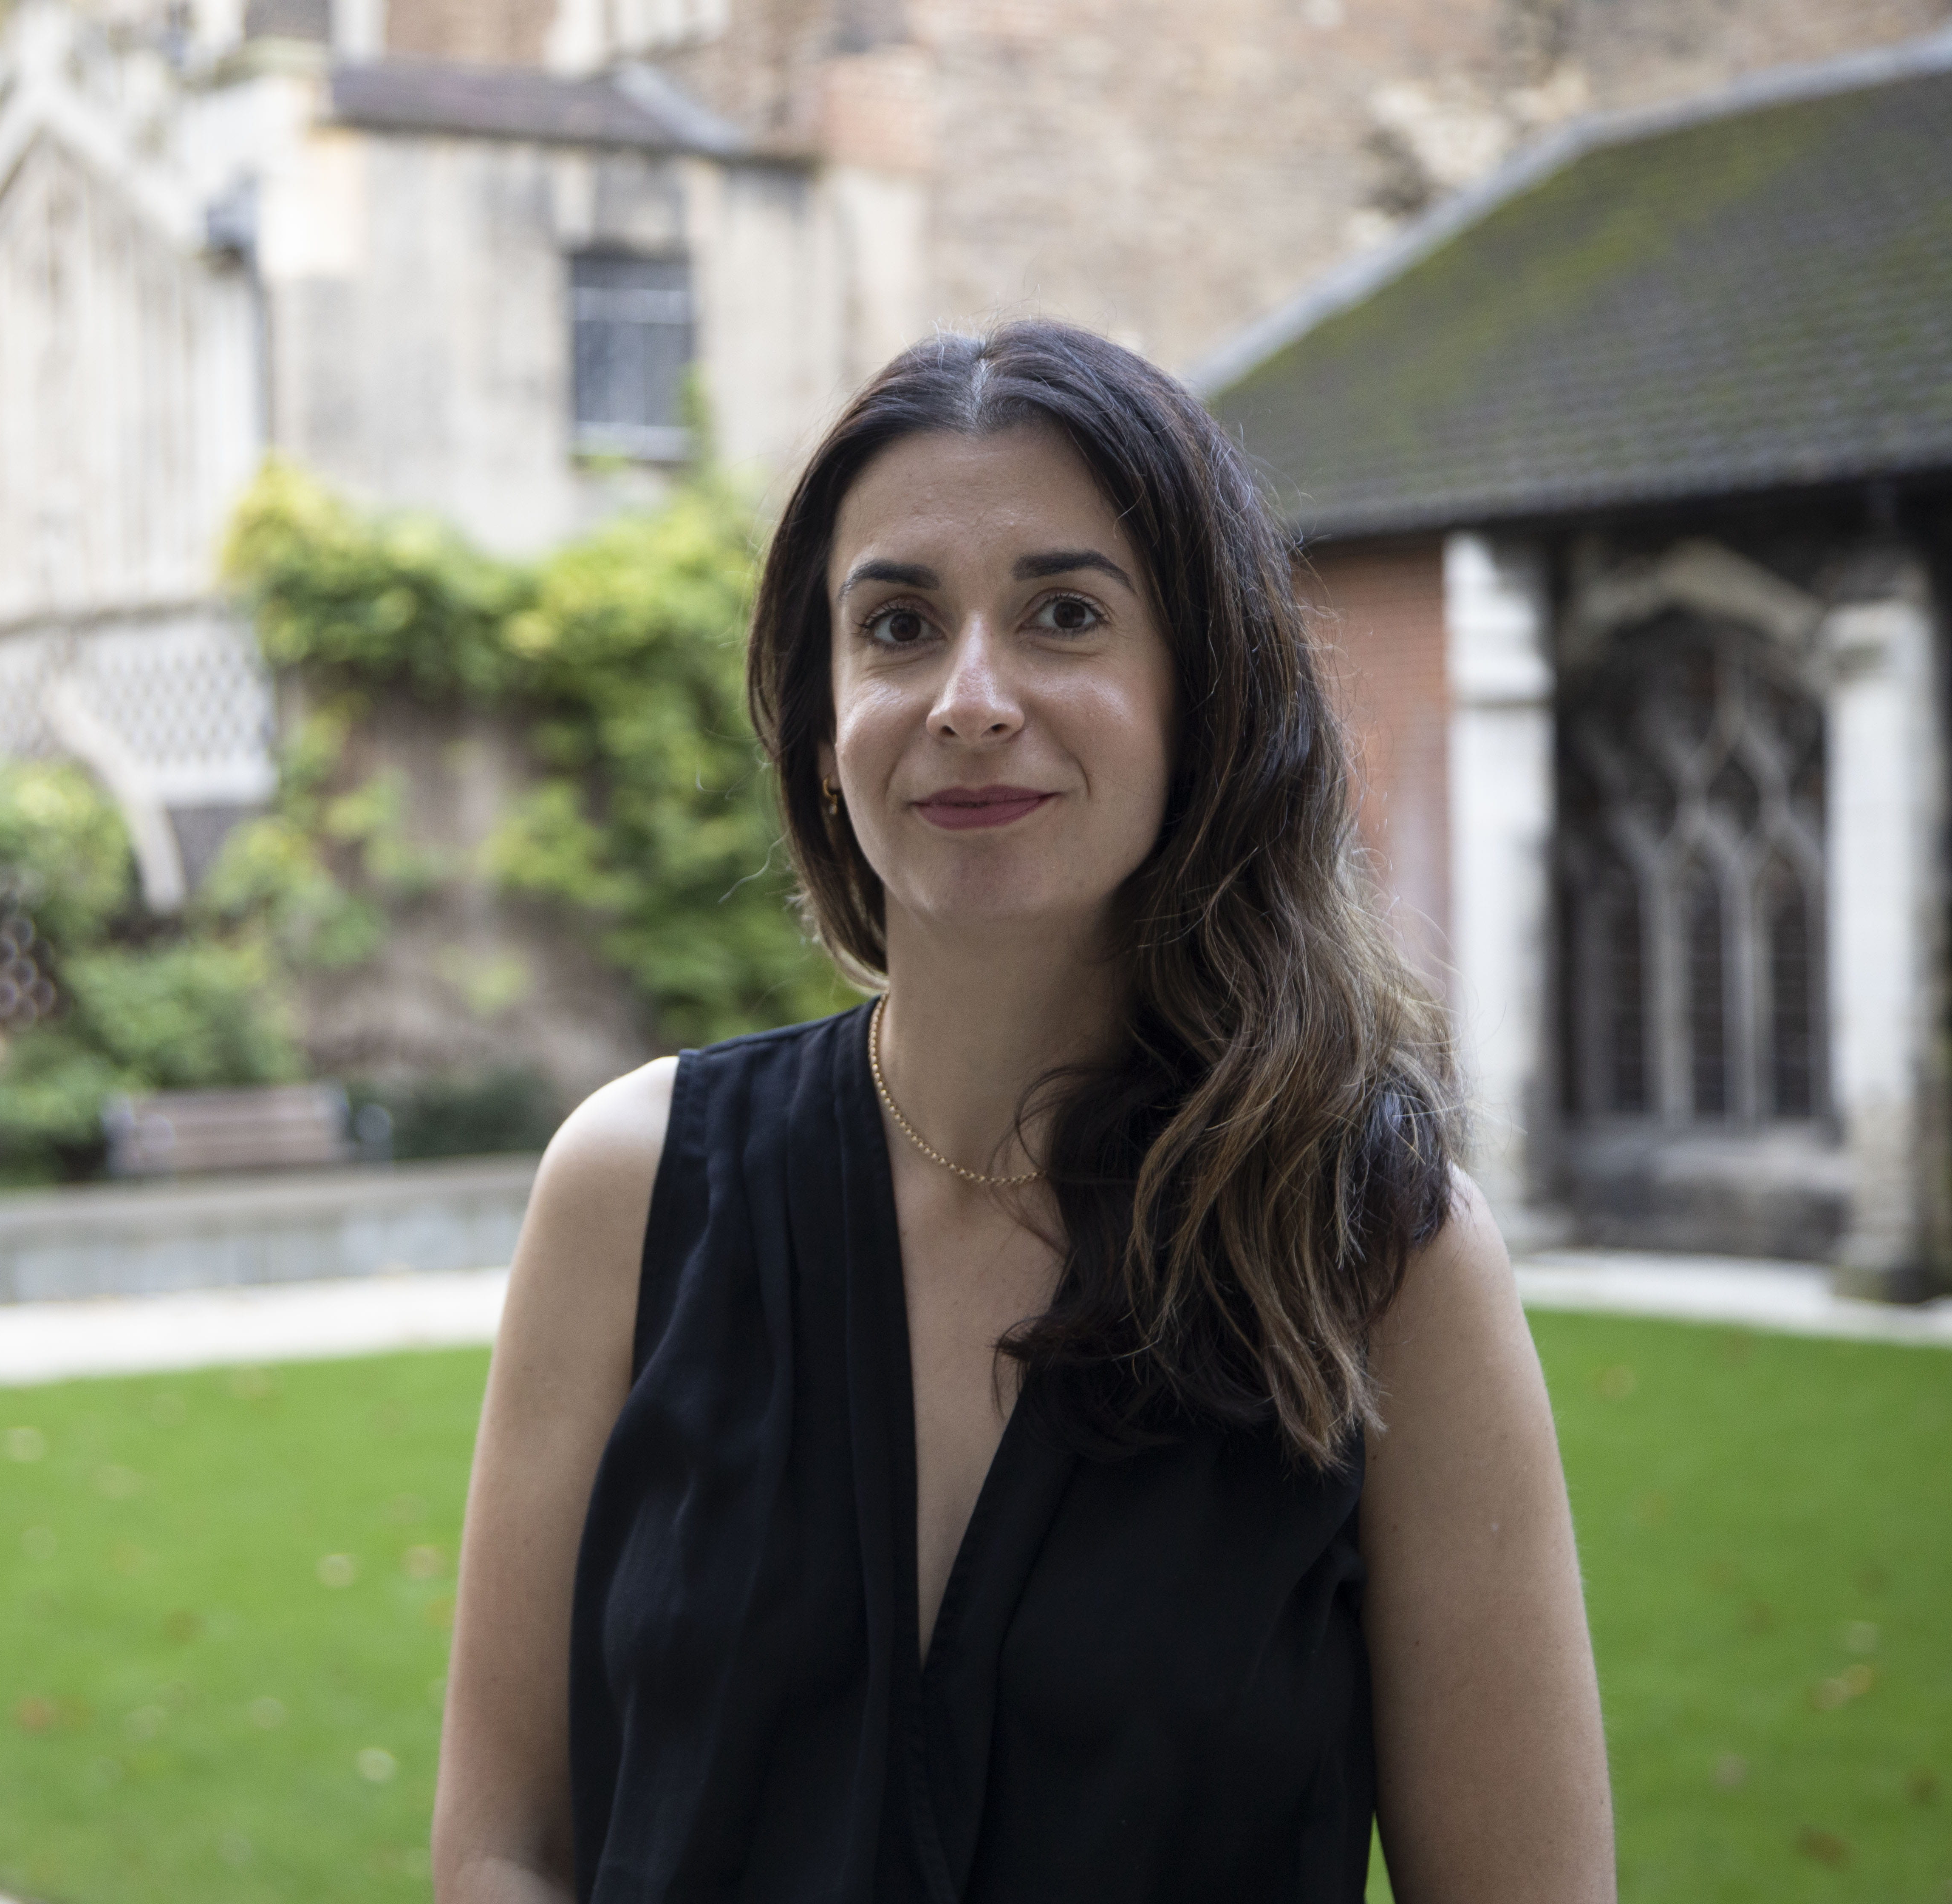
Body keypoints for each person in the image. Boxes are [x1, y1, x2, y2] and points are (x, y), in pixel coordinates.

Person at [430, 321, 1614, 1903]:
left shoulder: (1377, 1254)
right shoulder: (632, 1195)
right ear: (823, 718)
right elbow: (504, 1846)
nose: (971, 699)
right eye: (898, 627)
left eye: (1065, 615)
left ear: (1201, 694)